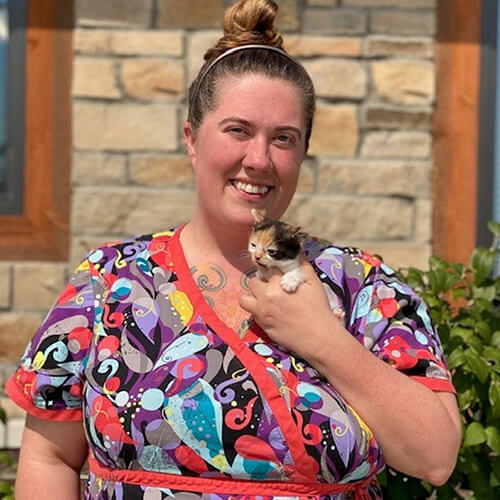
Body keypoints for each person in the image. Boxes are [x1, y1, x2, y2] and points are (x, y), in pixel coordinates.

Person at [7, 0, 461, 498]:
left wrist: (324, 340)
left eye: (284, 139)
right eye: (238, 130)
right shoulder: (108, 283)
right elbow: (49, 457)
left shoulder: (362, 286)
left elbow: (435, 458)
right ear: (192, 139)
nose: (259, 159)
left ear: (303, 153)